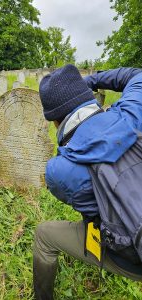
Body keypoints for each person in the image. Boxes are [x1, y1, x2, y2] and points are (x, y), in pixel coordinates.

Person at [33, 64, 142, 300]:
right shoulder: (133, 110)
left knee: (44, 235)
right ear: (88, 98)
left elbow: (92, 209)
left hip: (133, 256)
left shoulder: (58, 171)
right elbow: (137, 75)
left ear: (55, 121)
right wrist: (91, 81)